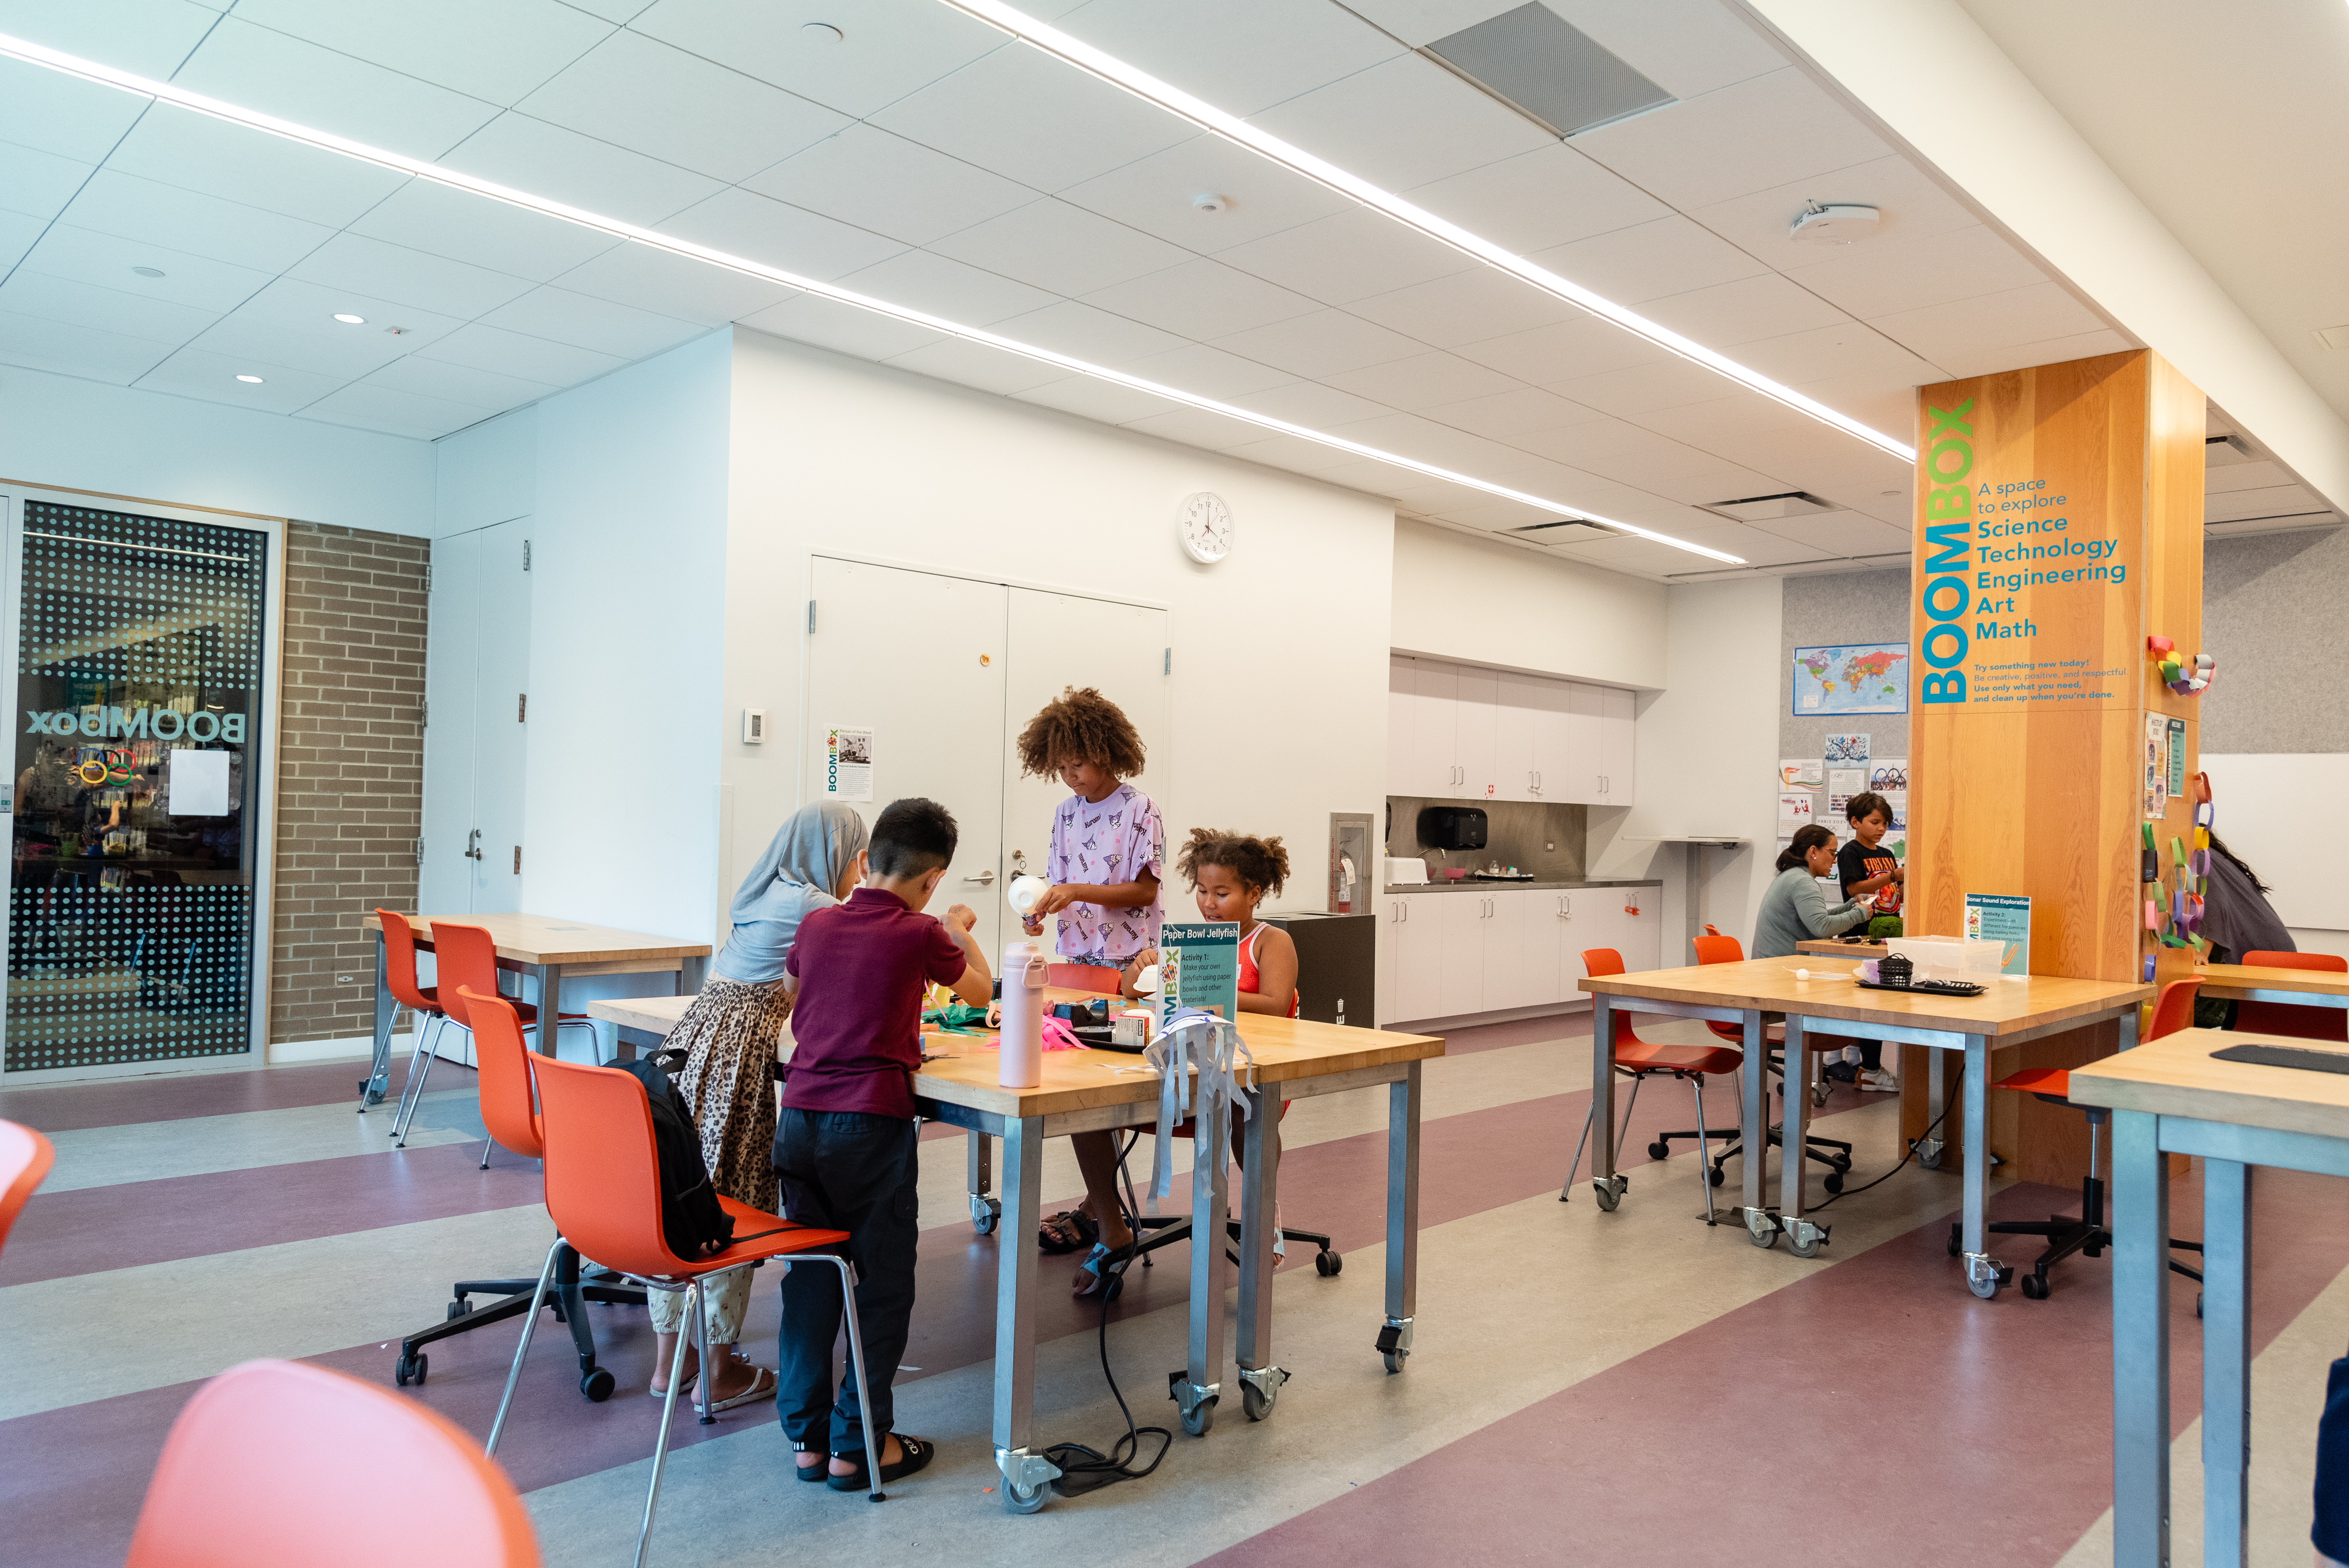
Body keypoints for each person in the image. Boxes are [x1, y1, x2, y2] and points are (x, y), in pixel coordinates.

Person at [772, 798, 991, 1492]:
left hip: (800, 1118)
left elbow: (793, 993)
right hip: (870, 1123)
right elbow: (982, 994)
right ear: (933, 879)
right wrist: (957, 928)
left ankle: (807, 1441)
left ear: (867, 861)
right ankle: (860, 1444)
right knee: (882, 1286)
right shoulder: (922, 930)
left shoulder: (817, 922)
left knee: (811, 1278)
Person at [646, 802, 869, 1412]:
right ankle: (718, 1371)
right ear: (834, 852)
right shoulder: (813, 906)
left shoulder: (763, 891)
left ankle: (671, 1364)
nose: (862, 868)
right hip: (737, 1060)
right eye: (858, 854)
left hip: (694, 1046)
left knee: (685, 1199)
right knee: (730, 1201)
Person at [1012, 687, 1165, 1288]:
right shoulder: (1064, 814)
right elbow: (1060, 882)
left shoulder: (1138, 809)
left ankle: (1104, 1216)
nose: (1070, 775)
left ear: (1109, 753)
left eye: (1079, 762)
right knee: (1081, 1097)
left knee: (1105, 1095)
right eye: (1062, 765)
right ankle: (1106, 1217)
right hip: (1076, 966)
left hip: (1132, 966)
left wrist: (1074, 892)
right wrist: (1041, 911)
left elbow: (1144, 892)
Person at [1832, 791, 1906, 1093]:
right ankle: (1859, 1065)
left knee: (1877, 1001)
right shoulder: (1850, 852)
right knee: (1863, 1002)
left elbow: (1896, 888)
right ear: (1855, 822)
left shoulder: (1887, 852)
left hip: (1886, 933)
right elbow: (1854, 888)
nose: (1881, 828)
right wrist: (1891, 876)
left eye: (1886, 823)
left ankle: (1861, 1062)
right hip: (1858, 933)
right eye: (1875, 822)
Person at [1755, 824, 1883, 959]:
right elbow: (1822, 927)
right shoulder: (1803, 882)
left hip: (1773, 964)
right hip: (1778, 968)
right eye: (1832, 853)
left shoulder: (1792, 875)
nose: (1834, 860)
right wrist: (1860, 913)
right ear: (1813, 852)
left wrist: (1850, 907)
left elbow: (1814, 918)